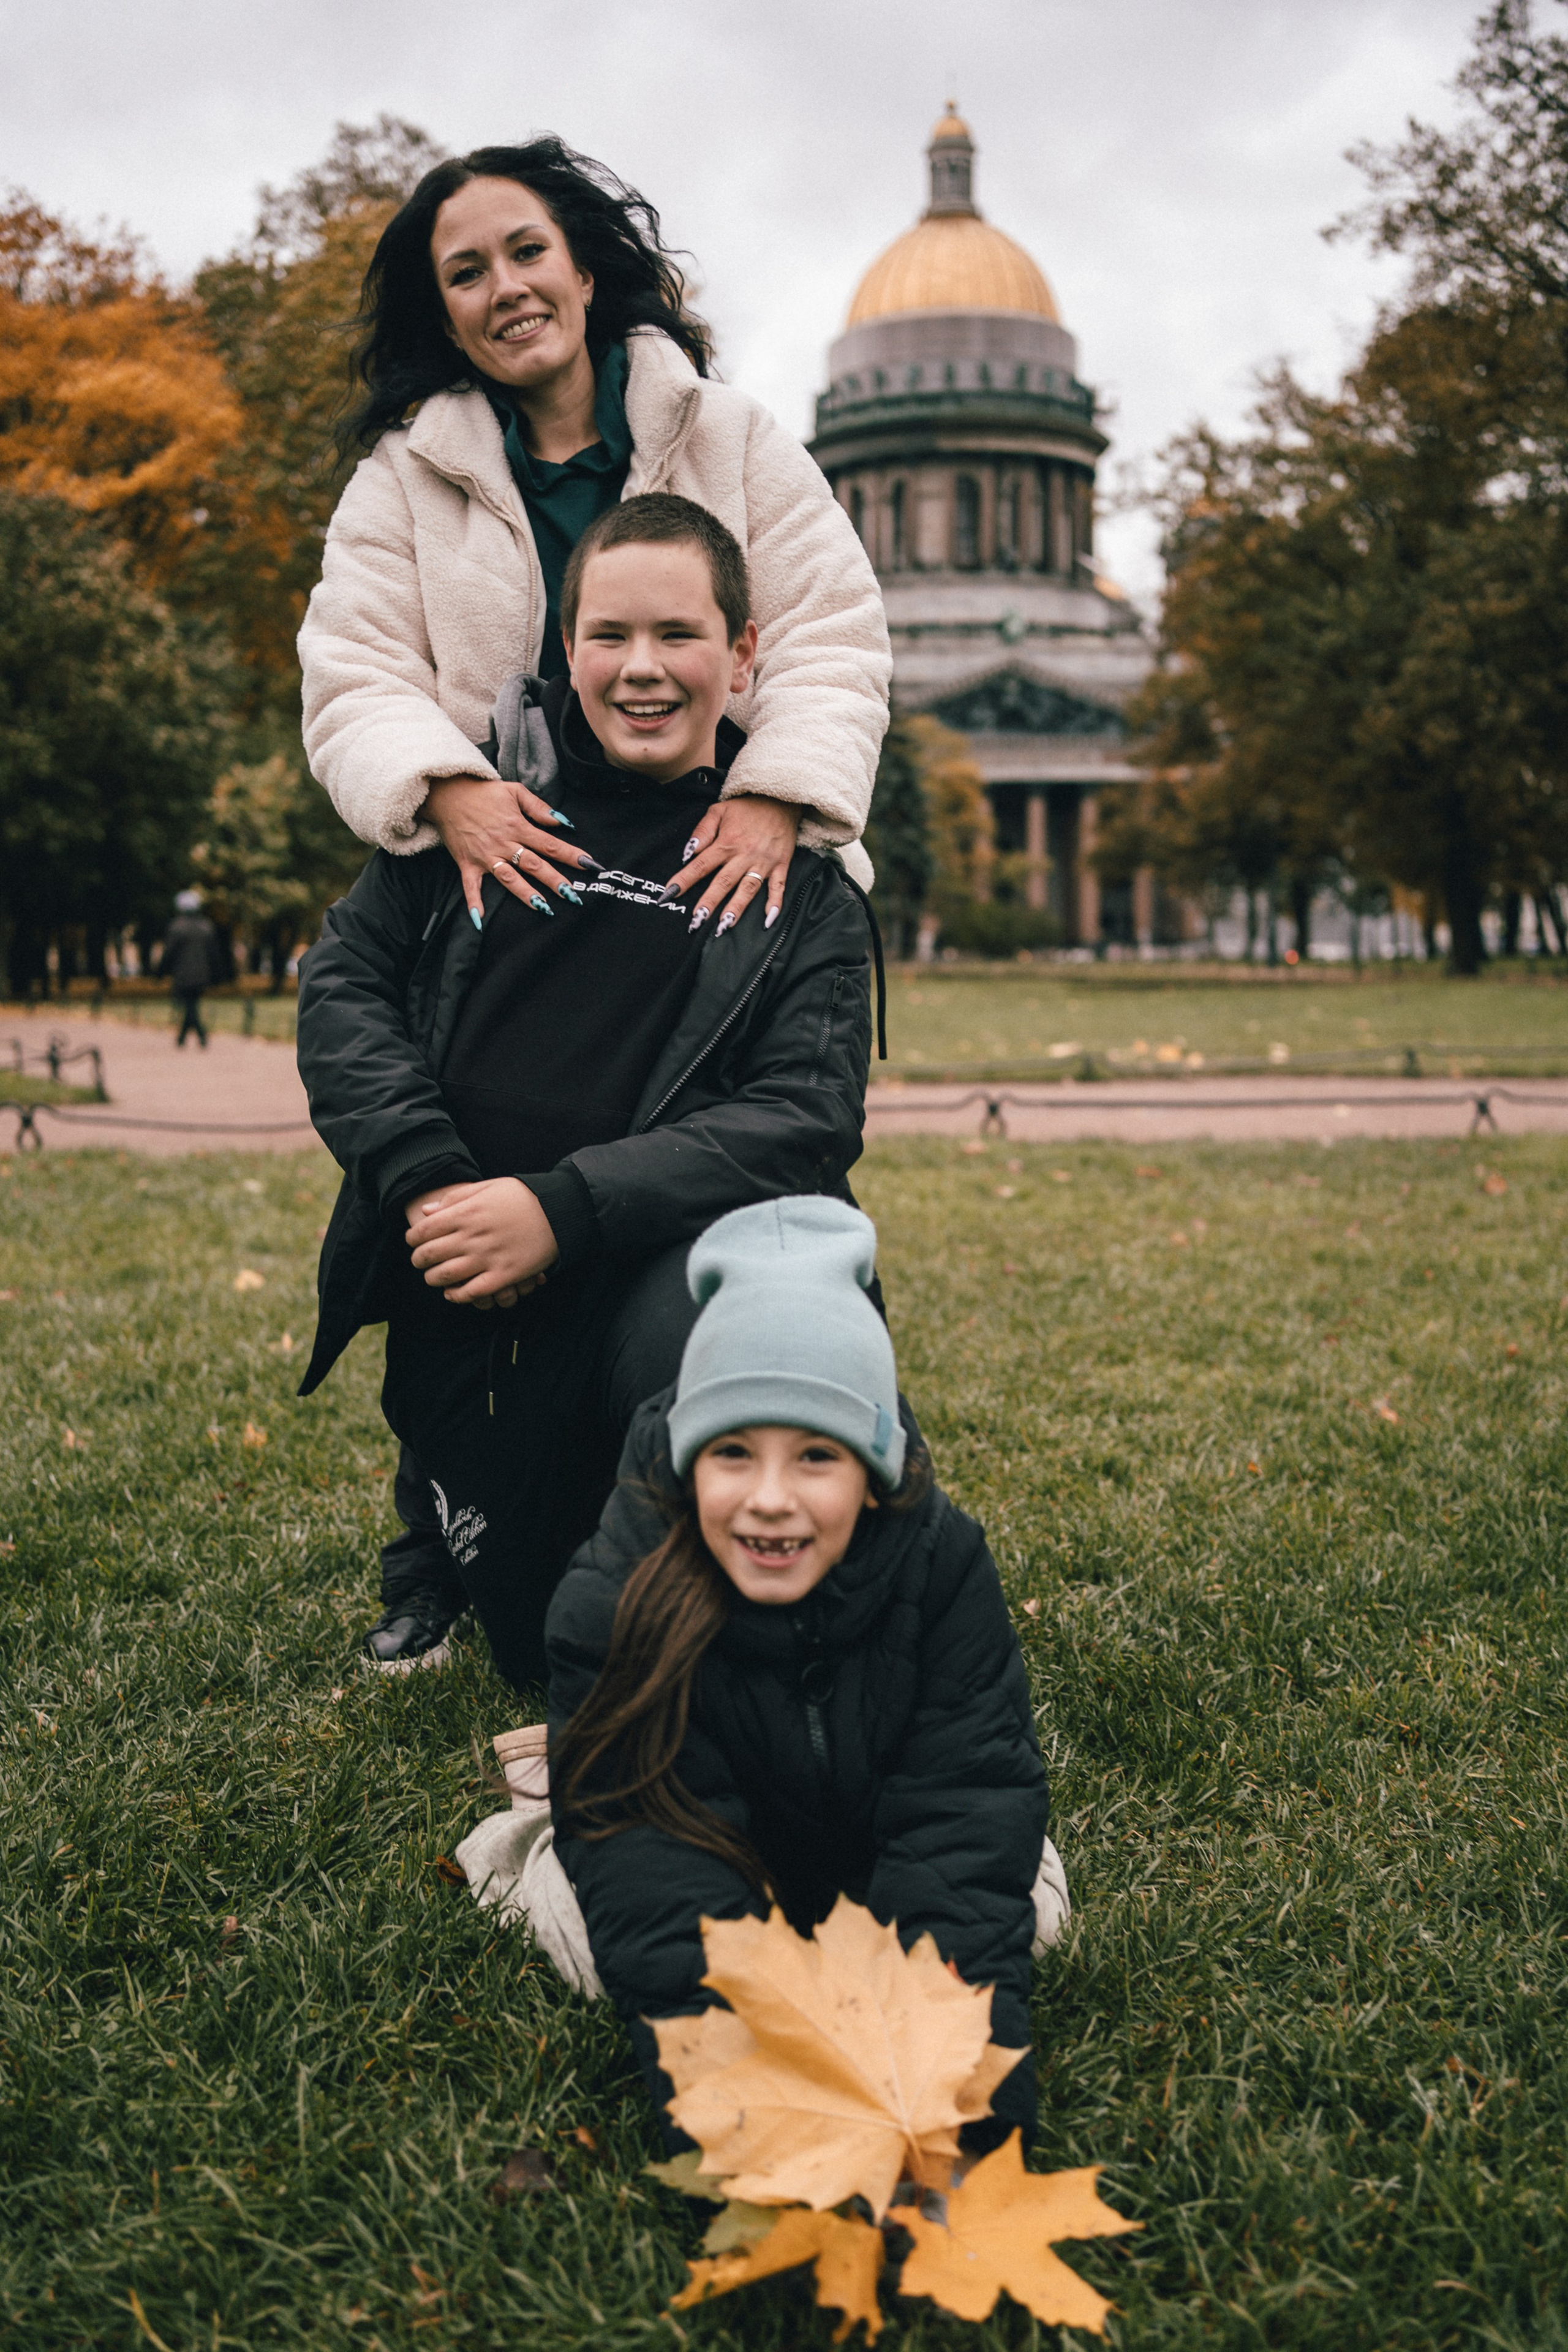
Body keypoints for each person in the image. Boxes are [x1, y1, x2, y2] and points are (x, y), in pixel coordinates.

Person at [298, 135, 892, 1662]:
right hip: (495, 844)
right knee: (465, 1143)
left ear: (581, 262)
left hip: (710, 833)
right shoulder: (405, 475)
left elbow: (826, 628)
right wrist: (443, 787)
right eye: (465, 270)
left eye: (525, 251)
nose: (505, 287)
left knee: (700, 1168)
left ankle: (711, 1477)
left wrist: (775, 788)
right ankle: (439, 1528)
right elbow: (354, 670)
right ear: (440, 308)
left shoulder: (729, 435)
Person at [535, 1196, 1066, 2156]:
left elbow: (964, 1808)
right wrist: (748, 2114)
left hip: (869, 1858)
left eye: (817, 1456)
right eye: (733, 1453)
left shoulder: (942, 1566)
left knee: (1026, 1907)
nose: (771, 1499)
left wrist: (956, 2110)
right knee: (590, 1936)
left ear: (874, 1469)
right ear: (690, 1459)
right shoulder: (614, 1592)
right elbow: (649, 1860)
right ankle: (537, 1825)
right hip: (712, 1850)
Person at [163, 891, 219, 1048]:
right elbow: (214, 953)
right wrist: (216, 975)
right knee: (192, 1004)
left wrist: (161, 972)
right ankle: (185, 1037)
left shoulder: (177, 927)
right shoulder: (206, 926)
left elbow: (169, 953)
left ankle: (198, 1035)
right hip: (202, 974)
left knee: (189, 1005)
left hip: (183, 974)